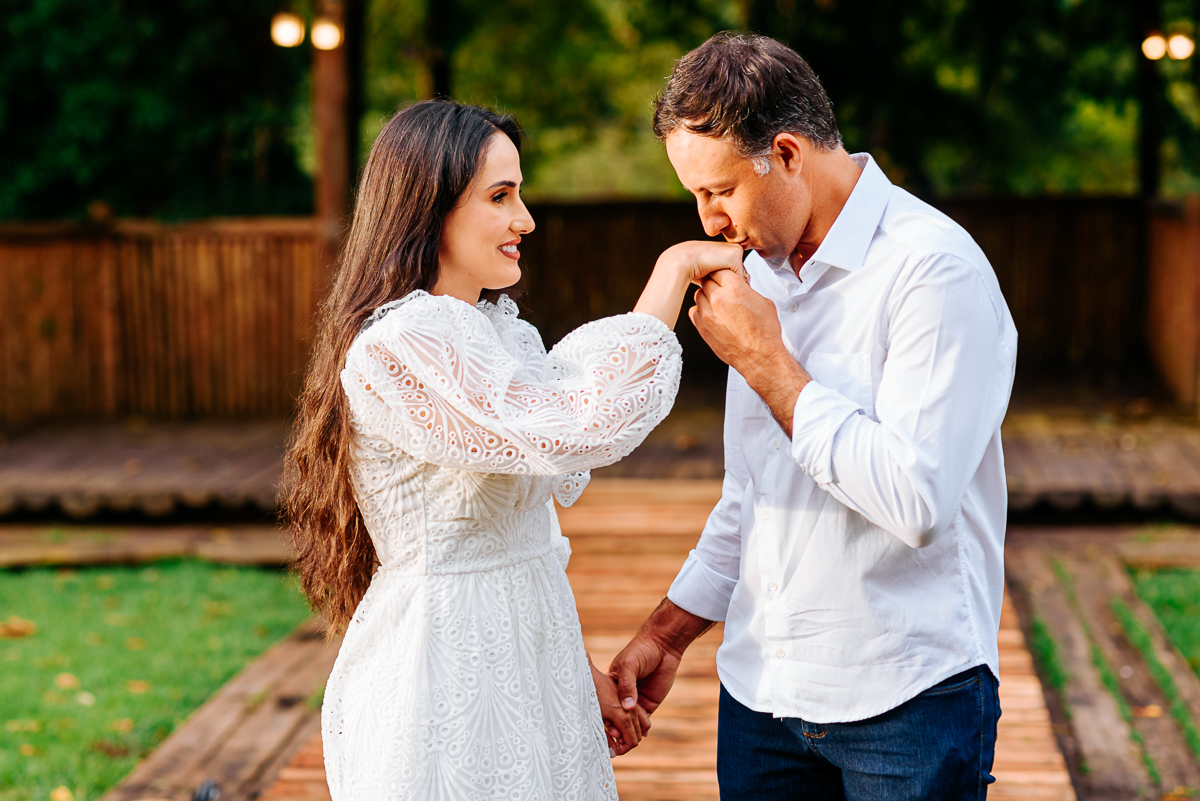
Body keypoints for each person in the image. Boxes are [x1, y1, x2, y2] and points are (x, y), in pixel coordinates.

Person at [283, 99, 744, 801]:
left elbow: (530, 502)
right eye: (500, 196)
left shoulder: (491, 336)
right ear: (426, 208)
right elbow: (579, 420)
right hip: (445, 678)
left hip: (529, 660)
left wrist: (560, 663)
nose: (524, 218)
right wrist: (675, 268)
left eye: (519, 194)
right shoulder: (405, 344)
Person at [609, 33, 1018, 800]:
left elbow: (917, 499)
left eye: (720, 191)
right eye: (696, 197)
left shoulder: (934, 270)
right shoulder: (760, 276)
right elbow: (752, 495)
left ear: (788, 154)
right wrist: (669, 632)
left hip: (908, 705)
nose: (710, 222)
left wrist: (769, 365)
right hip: (762, 701)